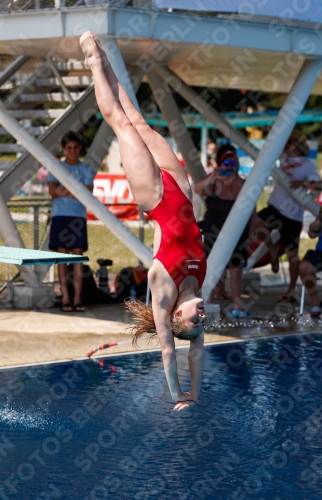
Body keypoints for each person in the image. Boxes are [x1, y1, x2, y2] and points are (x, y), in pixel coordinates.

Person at [80, 32, 206, 411]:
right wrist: (197, 392)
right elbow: (197, 350)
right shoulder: (200, 286)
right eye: (203, 318)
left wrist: (178, 395)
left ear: (176, 318)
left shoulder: (163, 294)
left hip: (156, 196)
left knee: (121, 122)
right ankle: (109, 61)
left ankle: (92, 60)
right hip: (180, 189)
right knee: (138, 117)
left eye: (196, 318)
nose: (203, 315)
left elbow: (171, 351)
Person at [253, 129, 322, 303]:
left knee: (293, 254)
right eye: (287, 142)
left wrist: (303, 182)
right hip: (275, 205)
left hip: (293, 214)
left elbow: (318, 184)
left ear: (298, 144)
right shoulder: (282, 159)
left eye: (290, 142)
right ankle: (272, 248)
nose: (287, 145)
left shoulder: (306, 164)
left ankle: (291, 290)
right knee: (256, 222)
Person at [194, 144, 256, 317]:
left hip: (238, 234)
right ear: (220, 164)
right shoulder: (214, 183)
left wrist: (251, 234)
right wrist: (214, 176)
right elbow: (196, 189)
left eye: (233, 163)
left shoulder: (244, 184)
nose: (230, 167)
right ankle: (208, 302)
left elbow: (252, 211)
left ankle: (238, 305)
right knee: (212, 268)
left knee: (236, 270)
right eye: (226, 163)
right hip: (213, 231)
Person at [48, 131, 95, 313]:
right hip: (60, 216)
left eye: (75, 147)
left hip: (78, 217)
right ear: (63, 149)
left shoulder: (86, 168)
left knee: (77, 256)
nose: (72, 151)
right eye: (69, 148)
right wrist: (76, 189)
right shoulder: (56, 167)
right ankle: (65, 297)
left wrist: (64, 189)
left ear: (80, 148)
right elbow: (52, 191)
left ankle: (77, 298)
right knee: (62, 256)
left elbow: (87, 193)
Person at [299, 203, 322, 317]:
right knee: (304, 266)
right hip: (321, 253)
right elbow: (312, 234)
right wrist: (320, 216)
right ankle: (316, 301)